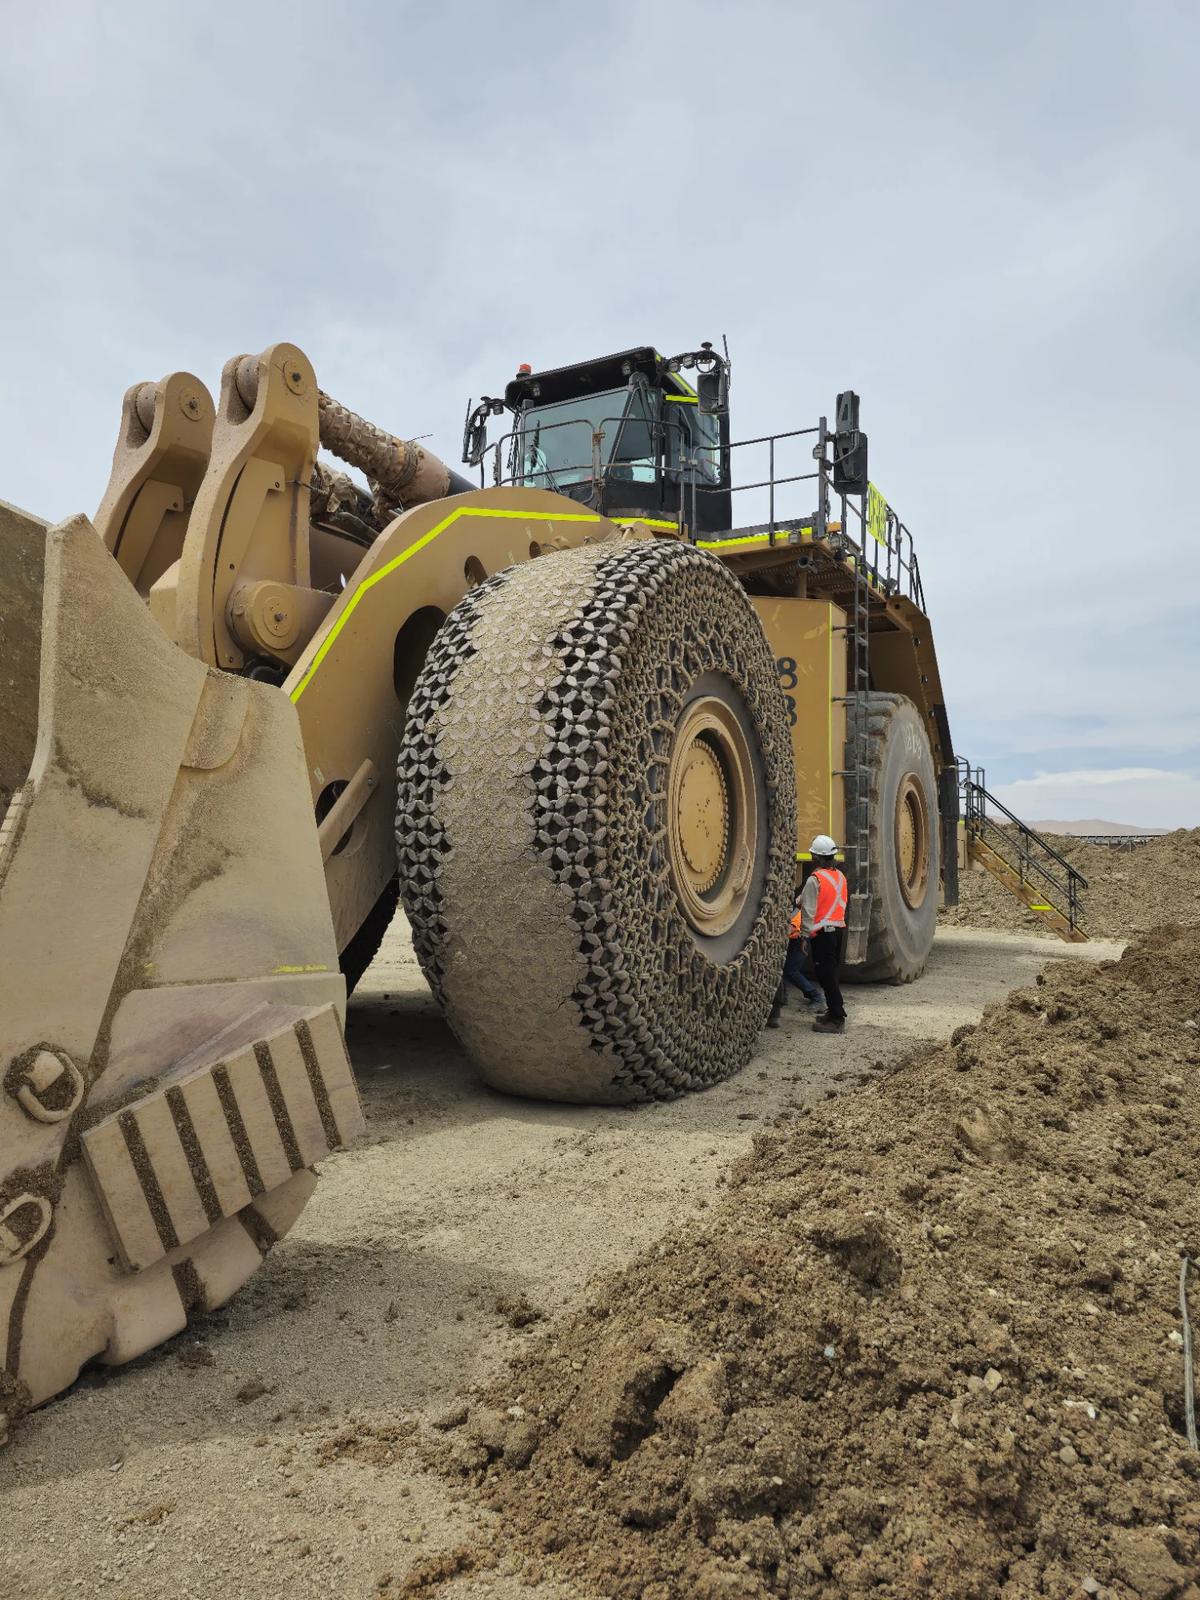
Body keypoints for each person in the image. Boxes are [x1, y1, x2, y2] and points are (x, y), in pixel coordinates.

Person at [766, 887, 824, 1027]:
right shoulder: (796, 909)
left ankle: (816, 998)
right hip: (796, 942)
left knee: (791, 971)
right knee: (784, 968)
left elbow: (792, 930)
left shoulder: (798, 912)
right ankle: (783, 997)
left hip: (800, 942)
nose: (798, 898)